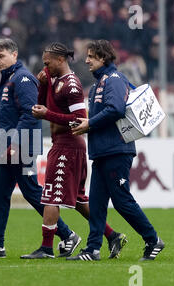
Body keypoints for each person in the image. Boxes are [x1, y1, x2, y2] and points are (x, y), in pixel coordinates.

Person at [20, 42, 127, 259]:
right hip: (62, 145)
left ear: (60, 60)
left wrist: (48, 114)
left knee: (50, 196)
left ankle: (47, 248)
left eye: (47, 62)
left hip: (69, 146)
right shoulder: (52, 79)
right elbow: (41, 107)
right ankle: (112, 235)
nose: (45, 66)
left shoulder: (72, 85)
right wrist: (42, 86)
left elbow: (80, 120)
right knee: (78, 199)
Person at [0, 38, 69, 258]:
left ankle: (67, 235)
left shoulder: (22, 78)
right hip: (9, 149)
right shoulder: (7, 79)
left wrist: (15, 143)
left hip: (20, 148)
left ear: (14, 55)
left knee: (33, 193)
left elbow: (31, 113)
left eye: (1, 56)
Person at [70, 40, 165, 261]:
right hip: (103, 151)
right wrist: (87, 123)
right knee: (96, 203)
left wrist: (89, 124)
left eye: (91, 56)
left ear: (103, 58)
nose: (87, 60)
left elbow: (116, 109)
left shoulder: (114, 79)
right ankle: (93, 249)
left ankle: (152, 239)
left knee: (122, 201)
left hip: (117, 150)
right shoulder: (98, 84)